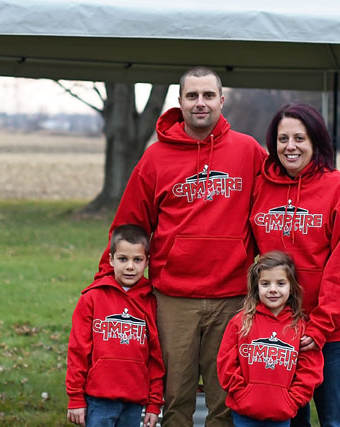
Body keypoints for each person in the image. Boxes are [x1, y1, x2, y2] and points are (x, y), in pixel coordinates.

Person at [100, 66, 267, 427]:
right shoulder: (156, 158)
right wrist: (106, 285)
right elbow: (129, 224)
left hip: (232, 295)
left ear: (222, 100)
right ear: (179, 102)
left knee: (225, 398)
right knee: (175, 397)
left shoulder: (249, 151)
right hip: (174, 297)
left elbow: (275, 200)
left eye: (208, 95)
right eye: (192, 96)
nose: (200, 103)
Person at [250, 103, 340, 427]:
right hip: (278, 326)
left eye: (299, 138)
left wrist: (322, 325)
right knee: (289, 418)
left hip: (330, 331)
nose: (291, 146)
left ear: (316, 141)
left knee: (335, 418)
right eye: (283, 139)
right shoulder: (262, 187)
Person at [67, 224, 164, 427]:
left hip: (134, 401)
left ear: (147, 262)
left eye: (137, 260)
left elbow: (156, 356)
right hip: (98, 399)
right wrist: (75, 397)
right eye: (123, 259)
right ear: (111, 260)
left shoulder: (151, 301)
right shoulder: (92, 299)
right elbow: (78, 351)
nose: (130, 266)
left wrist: (154, 403)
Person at [216, 251, 324, 427]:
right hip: (244, 413)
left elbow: (310, 370)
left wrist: (292, 400)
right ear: (257, 286)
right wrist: (241, 394)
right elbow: (226, 362)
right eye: (265, 284)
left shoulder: (300, 327)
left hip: (281, 415)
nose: (273, 289)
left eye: (281, 283)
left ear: (291, 287)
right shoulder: (241, 323)